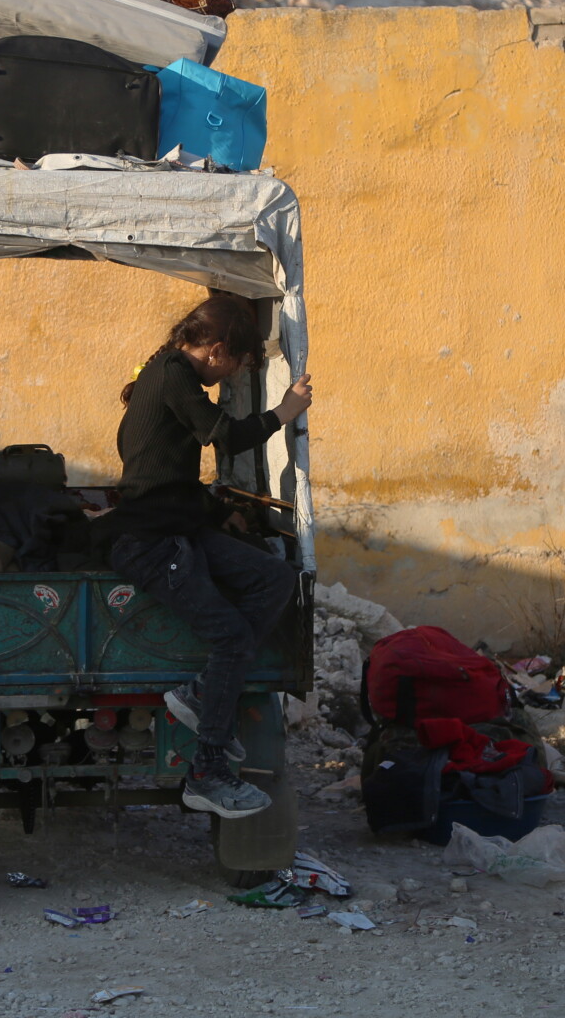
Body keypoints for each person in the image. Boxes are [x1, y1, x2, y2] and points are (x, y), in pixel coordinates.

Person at [108, 292, 314, 818]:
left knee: (275, 579)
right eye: (238, 364)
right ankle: (207, 771)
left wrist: (213, 509)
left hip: (179, 528)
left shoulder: (164, 368)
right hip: (152, 542)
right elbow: (223, 438)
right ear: (218, 350)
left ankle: (205, 692)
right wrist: (283, 413)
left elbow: (163, 470)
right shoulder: (173, 372)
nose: (233, 375)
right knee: (232, 636)